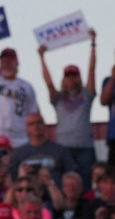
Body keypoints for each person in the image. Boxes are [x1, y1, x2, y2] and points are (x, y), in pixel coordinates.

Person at [37, 32, 98, 182]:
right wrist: (41, 57)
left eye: (74, 75)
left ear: (79, 77)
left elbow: (91, 70)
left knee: (85, 184)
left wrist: (93, 44)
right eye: (68, 75)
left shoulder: (86, 94)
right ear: (64, 79)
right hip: (63, 147)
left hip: (85, 146)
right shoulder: (58, 97)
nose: (71, 78)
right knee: (64, 182)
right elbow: (49, 83)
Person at [0, 45, 40, 148]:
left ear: (17, 63)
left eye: (10, 61)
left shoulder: (27, 87)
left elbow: (33, 114)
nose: (6, 63)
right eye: (3, 60)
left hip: (19, 142)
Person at [8, 113, 77, 190]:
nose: (36, 126)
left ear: (44, 125)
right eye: (31, 124)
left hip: (56, 197)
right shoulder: (18, 153)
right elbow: (13, 180)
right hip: (28, 196)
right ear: (26, 128)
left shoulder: (60, 150)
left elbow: (71, 175)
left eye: (39, 122)